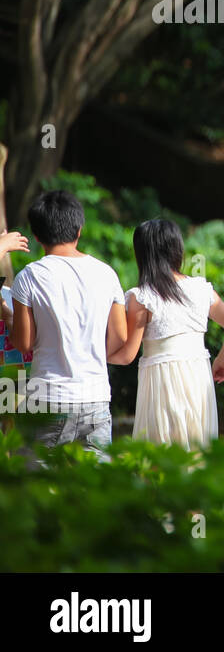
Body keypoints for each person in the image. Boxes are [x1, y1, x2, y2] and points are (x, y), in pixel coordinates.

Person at [7, 191, 128, 458]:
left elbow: (24, 342)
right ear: (79, 230)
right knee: (94, 490)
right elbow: (120, 337)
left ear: (36, 236)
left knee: (37, 489)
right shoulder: (107, 274)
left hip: (47, 399)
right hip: (96, 399)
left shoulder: (29, 277)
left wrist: (7, 318)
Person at [111, 219, 224, 450]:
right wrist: (222, 362)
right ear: (177, 250)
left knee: (160, 456)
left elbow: (126, 355)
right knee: (197, 453)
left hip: (161, 383)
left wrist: (93, 356)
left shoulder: (141, 297)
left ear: (142, 255)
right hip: (198, 378)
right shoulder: (201, 290)